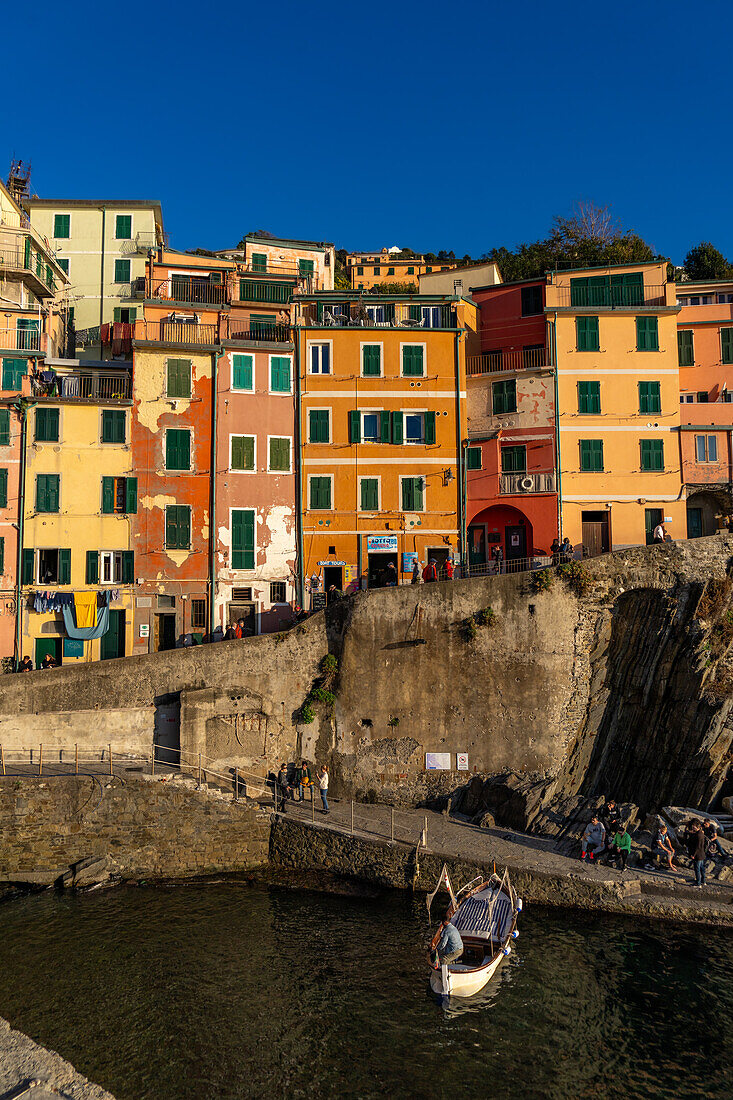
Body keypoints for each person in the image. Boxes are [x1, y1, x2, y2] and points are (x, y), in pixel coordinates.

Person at [687, 820, 707, 887]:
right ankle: (703, 881)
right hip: (702, 854)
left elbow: (698, 846)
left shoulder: (698, 835)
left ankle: (698, 883)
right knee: (702, 868)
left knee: (697, 869)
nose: (692, 828)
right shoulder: (701, 833)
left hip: (698, 855)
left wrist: (694, 855)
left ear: (697, 827)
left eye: (693, 827)